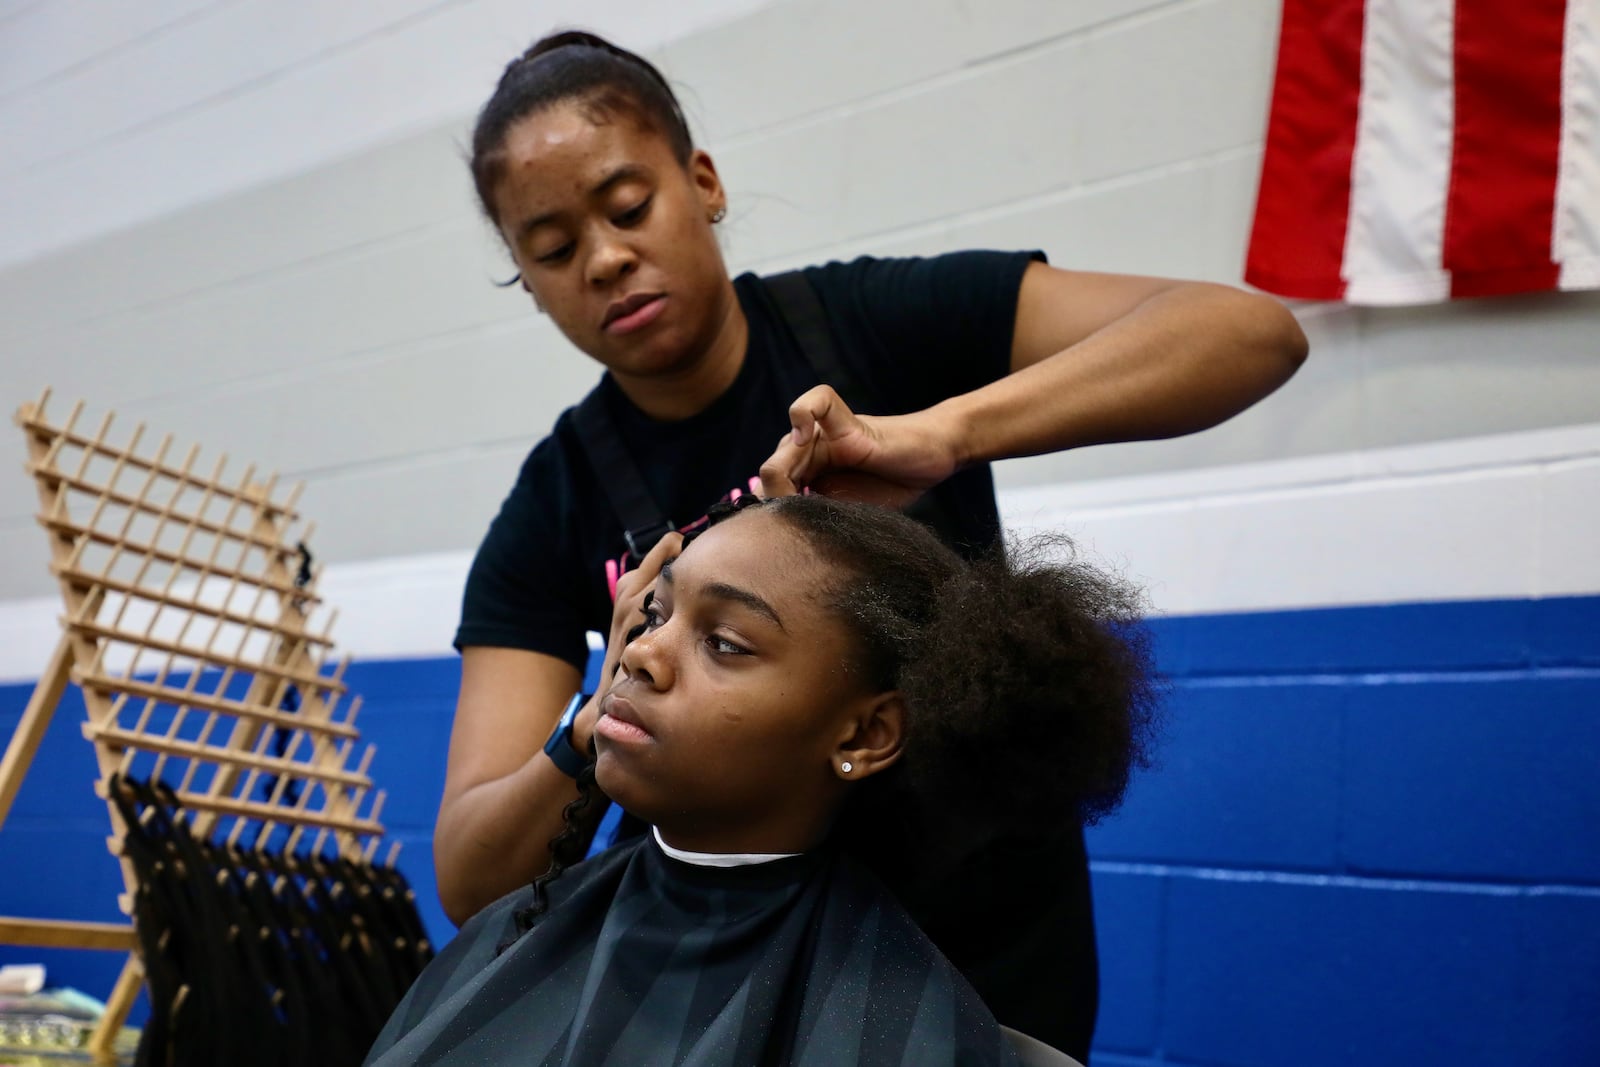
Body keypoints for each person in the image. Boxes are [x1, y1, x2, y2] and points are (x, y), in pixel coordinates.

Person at [435, 30, 1308, 1059]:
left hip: (980, 956)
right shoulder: (555, 499)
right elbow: (473, 875)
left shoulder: (870, 323)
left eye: (628, 208)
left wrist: (939, 432)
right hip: (723, 987)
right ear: (527, 281)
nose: (605, 257)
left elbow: (1249, 335)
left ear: (701, 181)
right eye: (550, 248)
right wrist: (606, 700)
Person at [373, 494, 1158, 1066]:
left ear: (863, 734)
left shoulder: (898, 1021)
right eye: (654, 614)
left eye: (724, 643)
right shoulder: (513, 936)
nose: (639, 655)